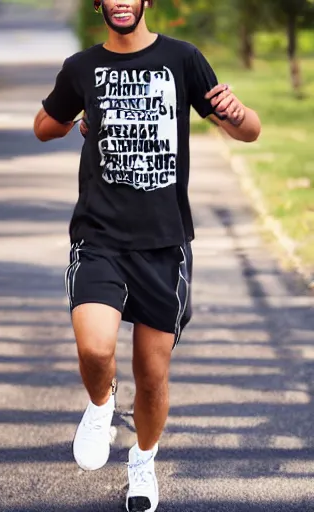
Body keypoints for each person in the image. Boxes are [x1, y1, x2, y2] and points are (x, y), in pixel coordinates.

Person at [33, 1, 261, 510]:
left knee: (152, 376)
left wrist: (236, 113)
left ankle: (142, 463)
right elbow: (43, 126)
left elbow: (249, 131)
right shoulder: (82, 67)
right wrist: (74, 121)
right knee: (95, 349)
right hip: (99, 236)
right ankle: (100, 405)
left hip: (164, 243)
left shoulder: (183, 58)